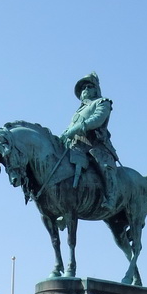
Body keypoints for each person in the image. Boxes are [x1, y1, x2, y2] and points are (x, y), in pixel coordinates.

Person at [59, 72, 121, 214]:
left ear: (95, 89)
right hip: (77, 145)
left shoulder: (102, 102)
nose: (85, 90)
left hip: (96, 144)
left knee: (104, 166)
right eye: (82, 88)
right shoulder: (79, 111)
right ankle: (67, 201)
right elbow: (70, 128)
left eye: (88, 86)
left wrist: (78, 128)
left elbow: (97, 119)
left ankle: (111, 198)